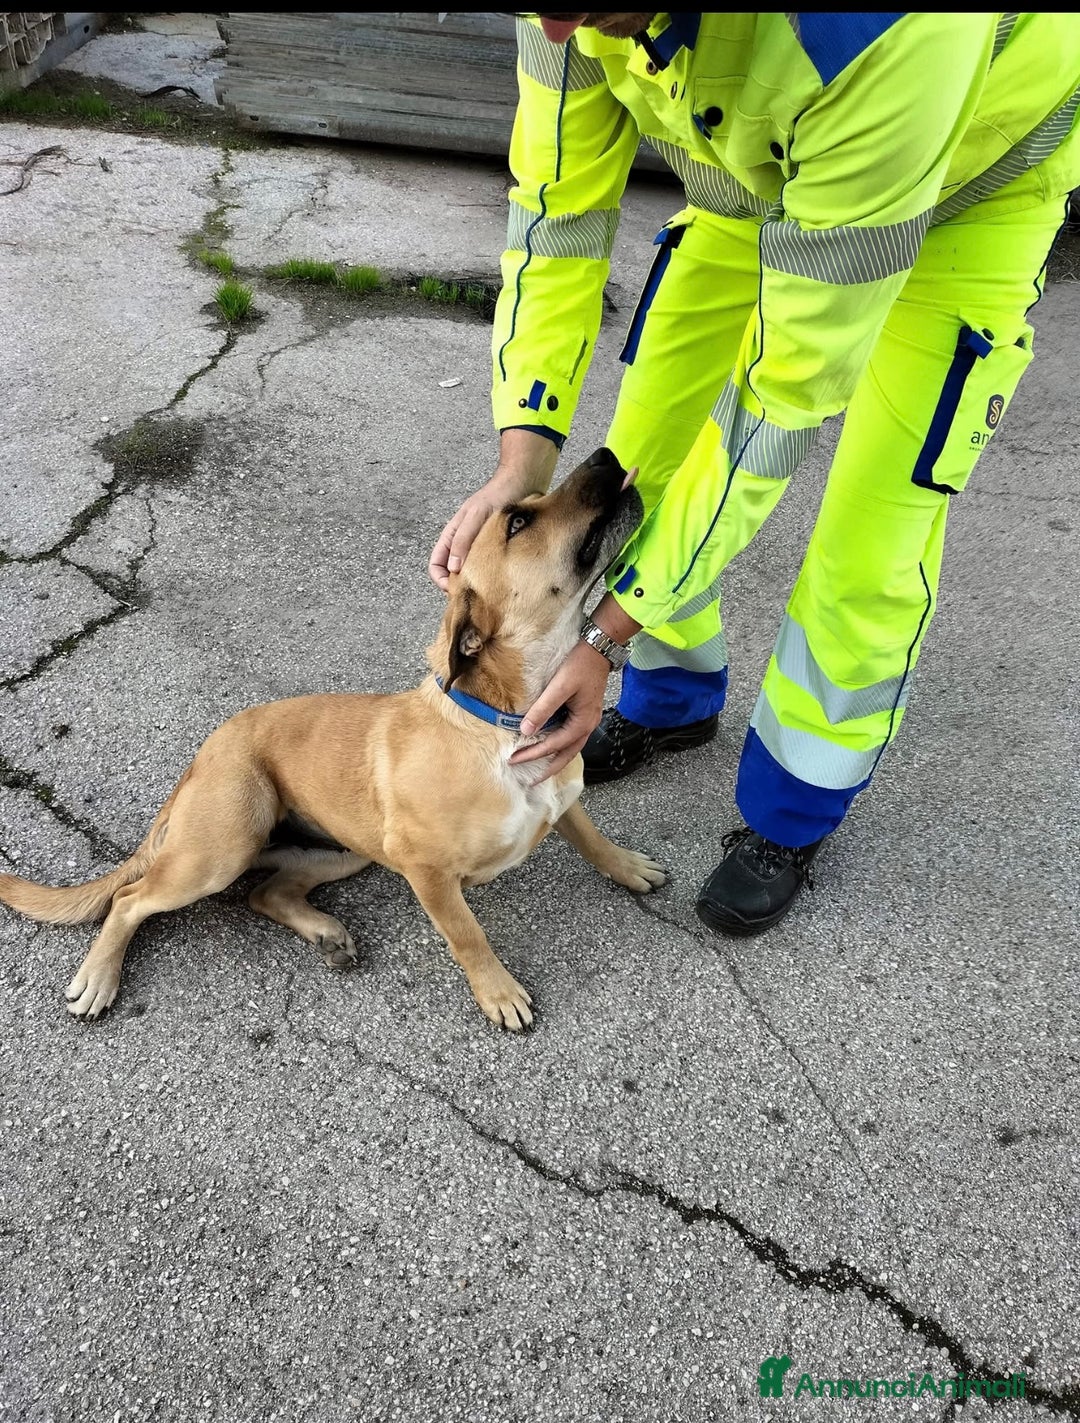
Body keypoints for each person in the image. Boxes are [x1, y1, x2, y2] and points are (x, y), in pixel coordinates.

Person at [429, 12, 1080, 936]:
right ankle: (673, 701)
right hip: (752, 181)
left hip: (963, 198)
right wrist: (520, 466)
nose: (559, 23)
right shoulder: (560, 14)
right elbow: (554, 214)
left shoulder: (879, 30)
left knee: (870, 540)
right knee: (636, 468)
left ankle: (791, 810)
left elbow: (778, 405)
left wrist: (600, 639)